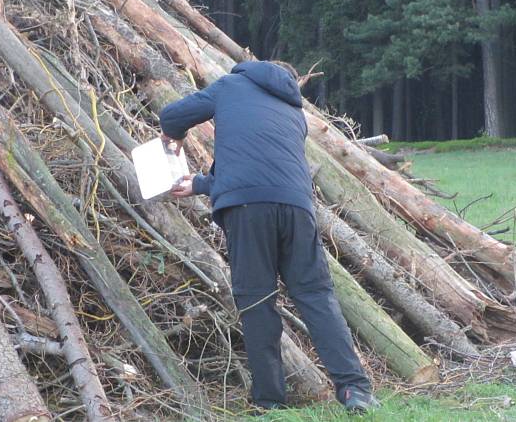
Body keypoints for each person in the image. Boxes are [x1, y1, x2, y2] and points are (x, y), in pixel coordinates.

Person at [159, 60, 378, 413]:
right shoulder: (294, 111)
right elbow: (260, 170)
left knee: (258, 301)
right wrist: (199, 184)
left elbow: (171, 116)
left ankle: (270, 401)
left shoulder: (230, 86)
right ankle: (355, 390)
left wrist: (175, 138)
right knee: (316, 296)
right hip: (297, 208)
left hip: (248, 211)